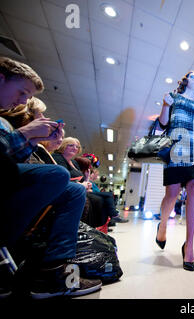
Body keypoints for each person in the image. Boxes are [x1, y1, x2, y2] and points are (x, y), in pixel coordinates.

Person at [0, 56, 101, 298]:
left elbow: (11, 162)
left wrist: (31, 139)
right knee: (58, 175)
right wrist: (26, 134)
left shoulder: (4, 121)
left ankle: (53, 270)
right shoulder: (5, 123)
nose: (22, 101)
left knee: (75, 190)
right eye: (22, 92)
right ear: (1, 79)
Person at [155, 71, 194, 271]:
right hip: (176, 148)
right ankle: (162, 225)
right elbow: (162, 124)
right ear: (186, 80)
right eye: (192, 76)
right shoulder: (173, 97)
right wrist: (166, 105)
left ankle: (190, 246)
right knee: (172, 193)